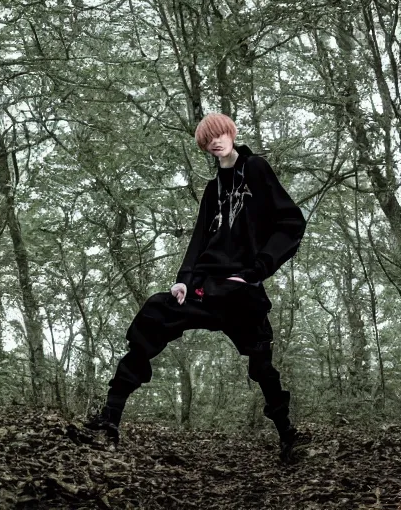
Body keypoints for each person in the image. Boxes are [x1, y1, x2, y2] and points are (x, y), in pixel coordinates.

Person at [82, 113, 311, 460]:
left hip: (240, 290)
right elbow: (200, 238)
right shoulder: (211, 188)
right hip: (205, 287)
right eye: (207, 141)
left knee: (262, 362)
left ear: (231, 133)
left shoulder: (257, 169)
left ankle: (288, 437)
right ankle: (109, 418)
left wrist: (256, 270)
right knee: (153, 318)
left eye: (219, 134)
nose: (215, 142)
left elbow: (291, 221)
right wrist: (183, 281)